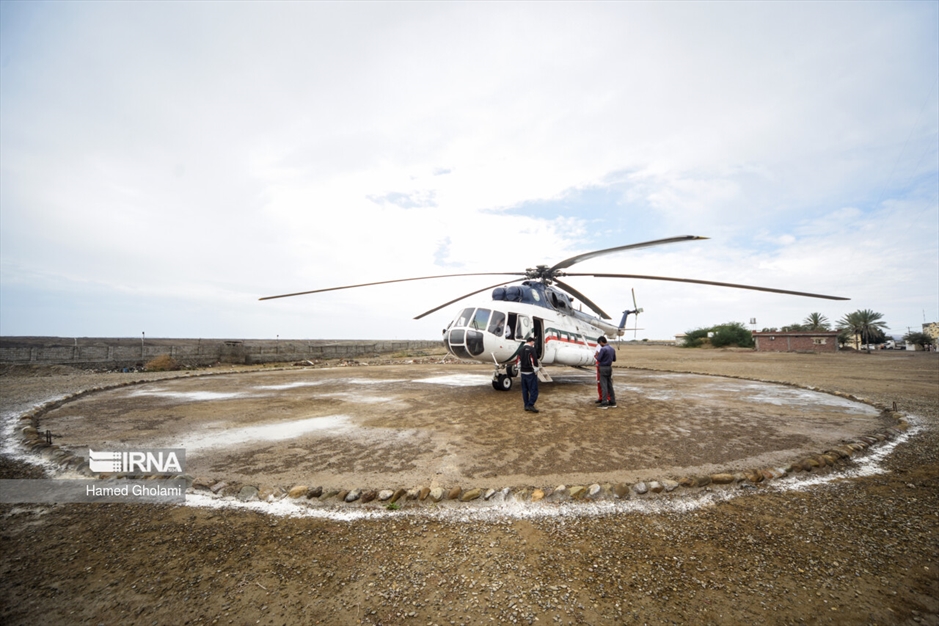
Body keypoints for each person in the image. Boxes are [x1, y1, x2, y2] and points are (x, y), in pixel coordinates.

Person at [517, 336, 541, 413]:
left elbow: (518, 361)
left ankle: (526, 405)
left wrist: (519, 368)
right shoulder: (531, 349)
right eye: (533, 342)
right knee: (534, 390)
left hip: (523, 373)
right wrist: (536, 368)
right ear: (531, 342)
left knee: (525, 390)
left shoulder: (520, 350)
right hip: (530, 372)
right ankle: (530, 404)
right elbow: (533, 360)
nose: (534, 343)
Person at [595, 336, 616, 408]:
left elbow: (599, 359)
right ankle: (612, 402)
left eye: (599, 343)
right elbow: (614, 359)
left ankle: (604, 402)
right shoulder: (612, 349)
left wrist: (597, 356)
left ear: (601, 342)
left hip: (603, 368)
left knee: (603, 385)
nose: (600, 345)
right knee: (610, 385)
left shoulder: (603, 349)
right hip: (609, 367)